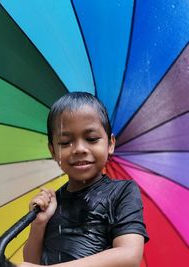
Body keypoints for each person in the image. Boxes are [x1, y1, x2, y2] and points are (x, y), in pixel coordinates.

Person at [18, 92, 149, 267]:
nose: (79, 149)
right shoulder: (51, 204)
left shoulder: (123, 191)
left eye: (91, 139)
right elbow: (31, 262)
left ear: (110, 144)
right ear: (52, 151)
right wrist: (38, 224)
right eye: (65, 142)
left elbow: (129, 256)